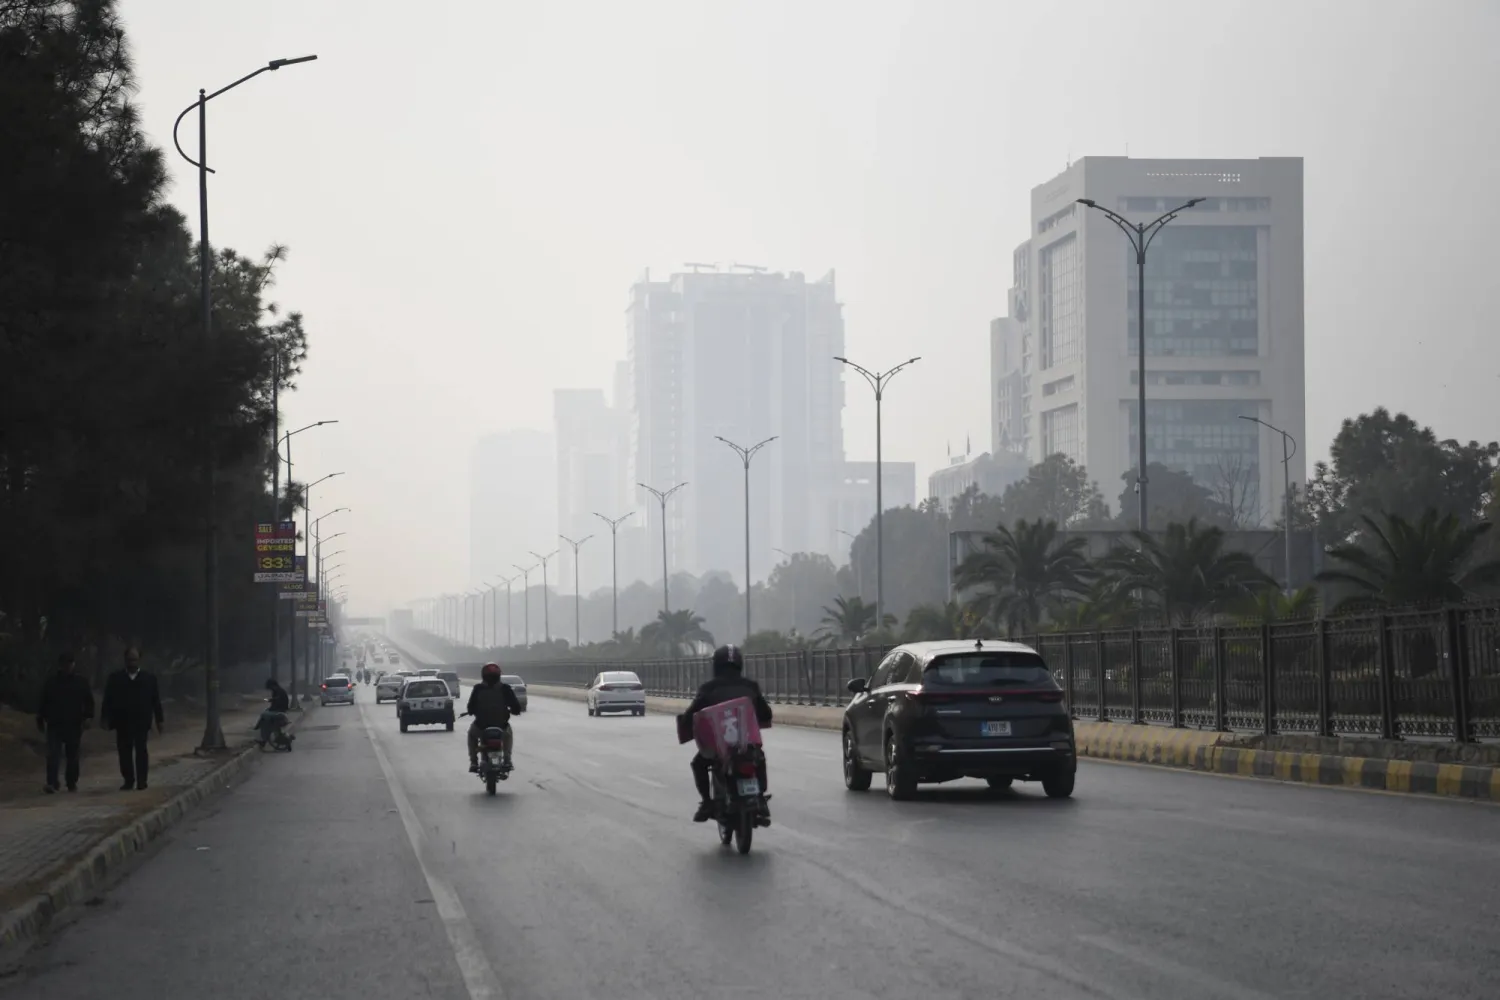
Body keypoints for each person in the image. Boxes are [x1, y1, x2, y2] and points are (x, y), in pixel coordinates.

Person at [681, 644, 773, 823]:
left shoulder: (708, 688)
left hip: (719, 747)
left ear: (716, 665)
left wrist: (686, 724)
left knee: (699, 764)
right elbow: (766, 714)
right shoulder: (751, 686)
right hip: (746, 744)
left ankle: (707, 803)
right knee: (759, 758)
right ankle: (760, 798)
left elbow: (691, 714)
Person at [100, 647, 163, 791]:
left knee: (141, 750)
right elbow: (107, 699)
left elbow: (156, 701)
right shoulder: (116, 678)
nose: (132, 663)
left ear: (139, 660)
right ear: (125, 660)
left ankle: (142, 781)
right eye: (129, 660)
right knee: (124, 752)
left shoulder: (149, 679)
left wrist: (159, 720)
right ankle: (128, 780)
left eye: (134, 660)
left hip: (142, 721)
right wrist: (105, 718)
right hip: (122, 721)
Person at [36, 651, 95, 793]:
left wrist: (88, 717)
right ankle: (52, 782)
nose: (68, 667)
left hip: (74, 724)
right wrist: (40, 719)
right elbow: (44, 702)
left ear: (73, 664)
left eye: (70, 663)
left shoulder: (81, 682)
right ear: (60, 665)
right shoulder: (52, 683)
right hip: (54, 723)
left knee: (72, 755)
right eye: (65, 664)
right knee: (53, 754)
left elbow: (89, 701)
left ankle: (71, 781)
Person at [465, 662, 522, 772]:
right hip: (501, 726)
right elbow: (516, 707)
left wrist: (472, 711)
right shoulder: (505, 688)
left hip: (481, 727)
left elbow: (470, 707)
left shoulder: (478, 688)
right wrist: (514, 711)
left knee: (471, 735)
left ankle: (473, 762)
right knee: (508, 735)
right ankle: (507, 760)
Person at [257, 678, 291, 746]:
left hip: (279, 711)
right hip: (281, 710)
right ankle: (264, 738)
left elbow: (277, 702)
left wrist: (271, 707)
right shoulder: (280, 690)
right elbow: (276, 701)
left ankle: (263, 739)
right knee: (267, 719)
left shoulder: (277, 692)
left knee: (264, 715)